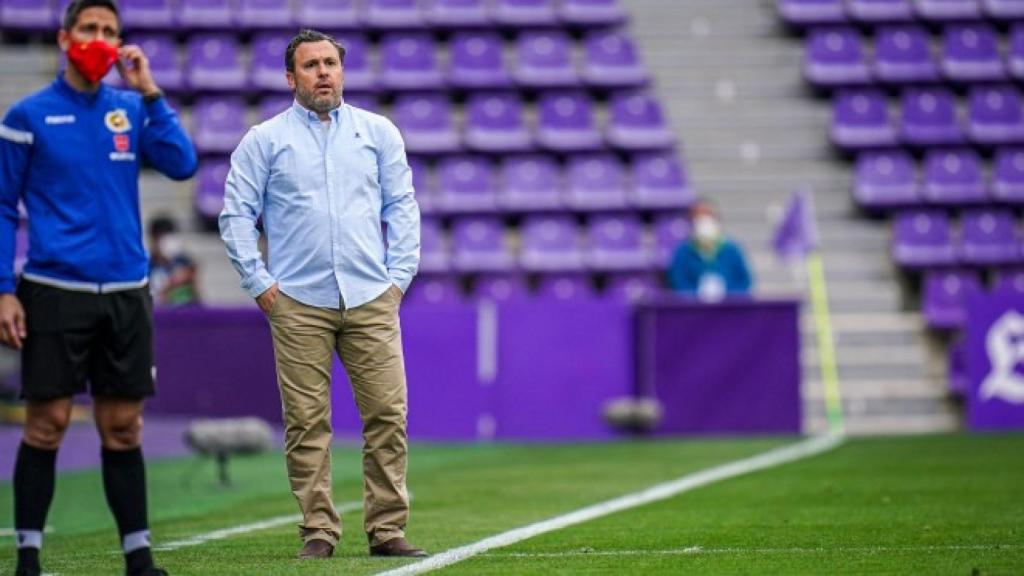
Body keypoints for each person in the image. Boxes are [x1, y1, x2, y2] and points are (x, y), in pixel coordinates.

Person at [0, 1, 198, 574]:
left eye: (110, 31)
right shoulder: (26, 116)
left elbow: (182, 164)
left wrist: (152, 92)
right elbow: (2, 206)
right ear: (65, 39)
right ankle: (28, 559)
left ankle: (138, 560)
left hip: (126, 291)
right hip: (53, 287)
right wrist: (3, 289)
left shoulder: (130, 109)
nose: (100, 39)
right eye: (89, 29)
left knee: (123, 425)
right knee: (48, 424)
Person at [218, 29, 424, 560]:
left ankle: (386, 530)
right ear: (292, 78)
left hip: (371, 295)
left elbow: (402, 206)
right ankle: (318, 530)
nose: (324, 73)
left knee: (388, 415)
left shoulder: (378, 132)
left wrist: (399, 276)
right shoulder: (264, 140)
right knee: (307, 422)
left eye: (331, 63)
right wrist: (261, 286)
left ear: (343, 70)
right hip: (297, 302)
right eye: (311, 65)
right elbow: (236, 215)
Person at [668, 199, 753, 301]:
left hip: (729, 309)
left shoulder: (732, 249)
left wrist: (727, 295)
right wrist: (698, 295)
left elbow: (744, 281)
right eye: (697, 216)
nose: (703, 220)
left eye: (707, 215)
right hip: (694, 311)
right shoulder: (682, 252)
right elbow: (678, 283)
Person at [148, 215, 201, 306]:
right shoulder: (146, 266)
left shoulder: (184, 263)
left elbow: (196, 296)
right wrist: (170, 283)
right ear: (153, 238)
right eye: (162, 238)